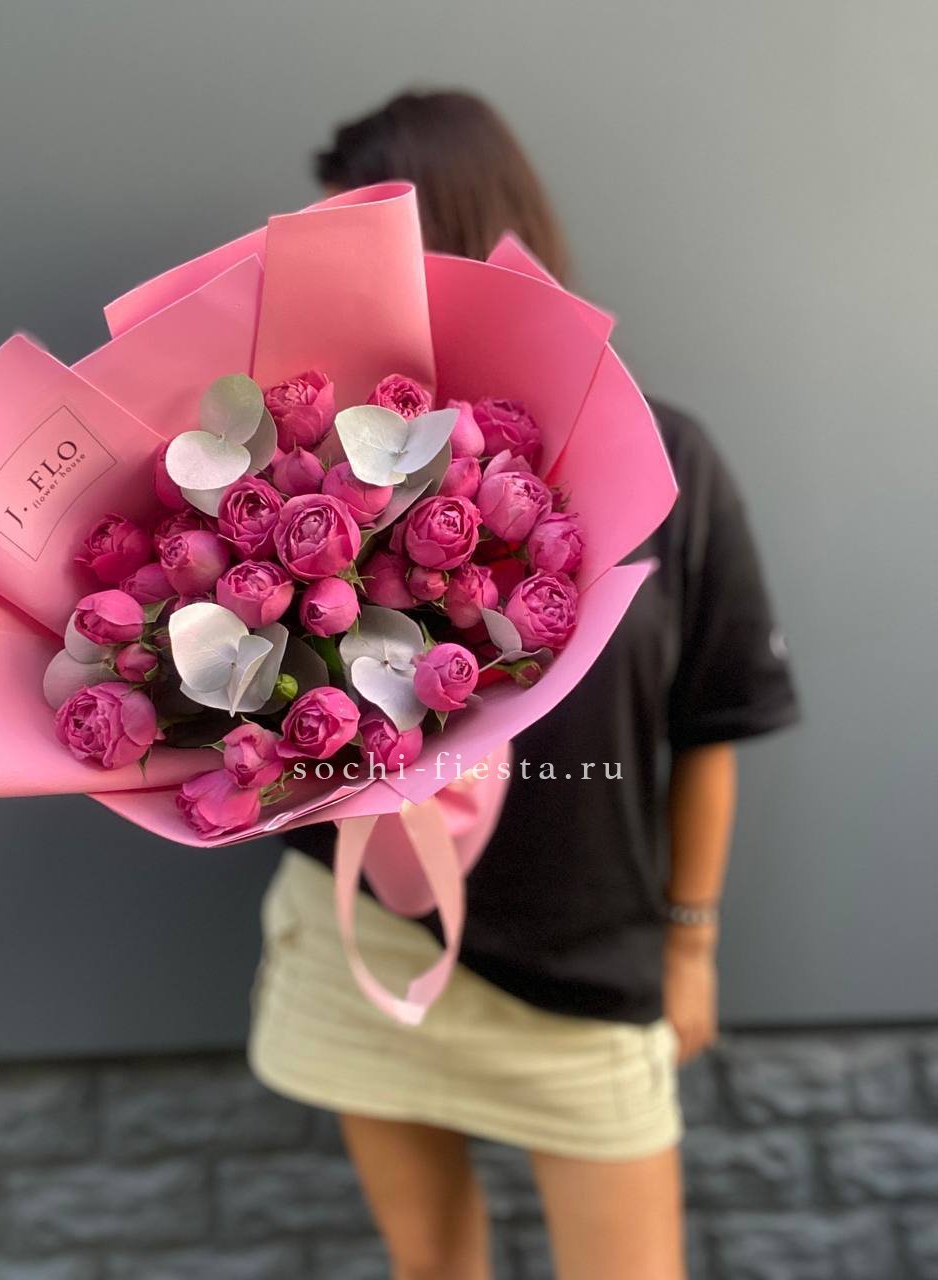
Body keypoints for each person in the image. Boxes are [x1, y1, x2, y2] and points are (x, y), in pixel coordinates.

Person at [249, 89, 799, 1280]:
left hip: (585, 972)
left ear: (442, 237)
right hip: (365, 944)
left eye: (351, 241)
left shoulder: (664, 461)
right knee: (431, 1266)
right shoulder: (317, 477)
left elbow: (713, 722)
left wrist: (689, 944)